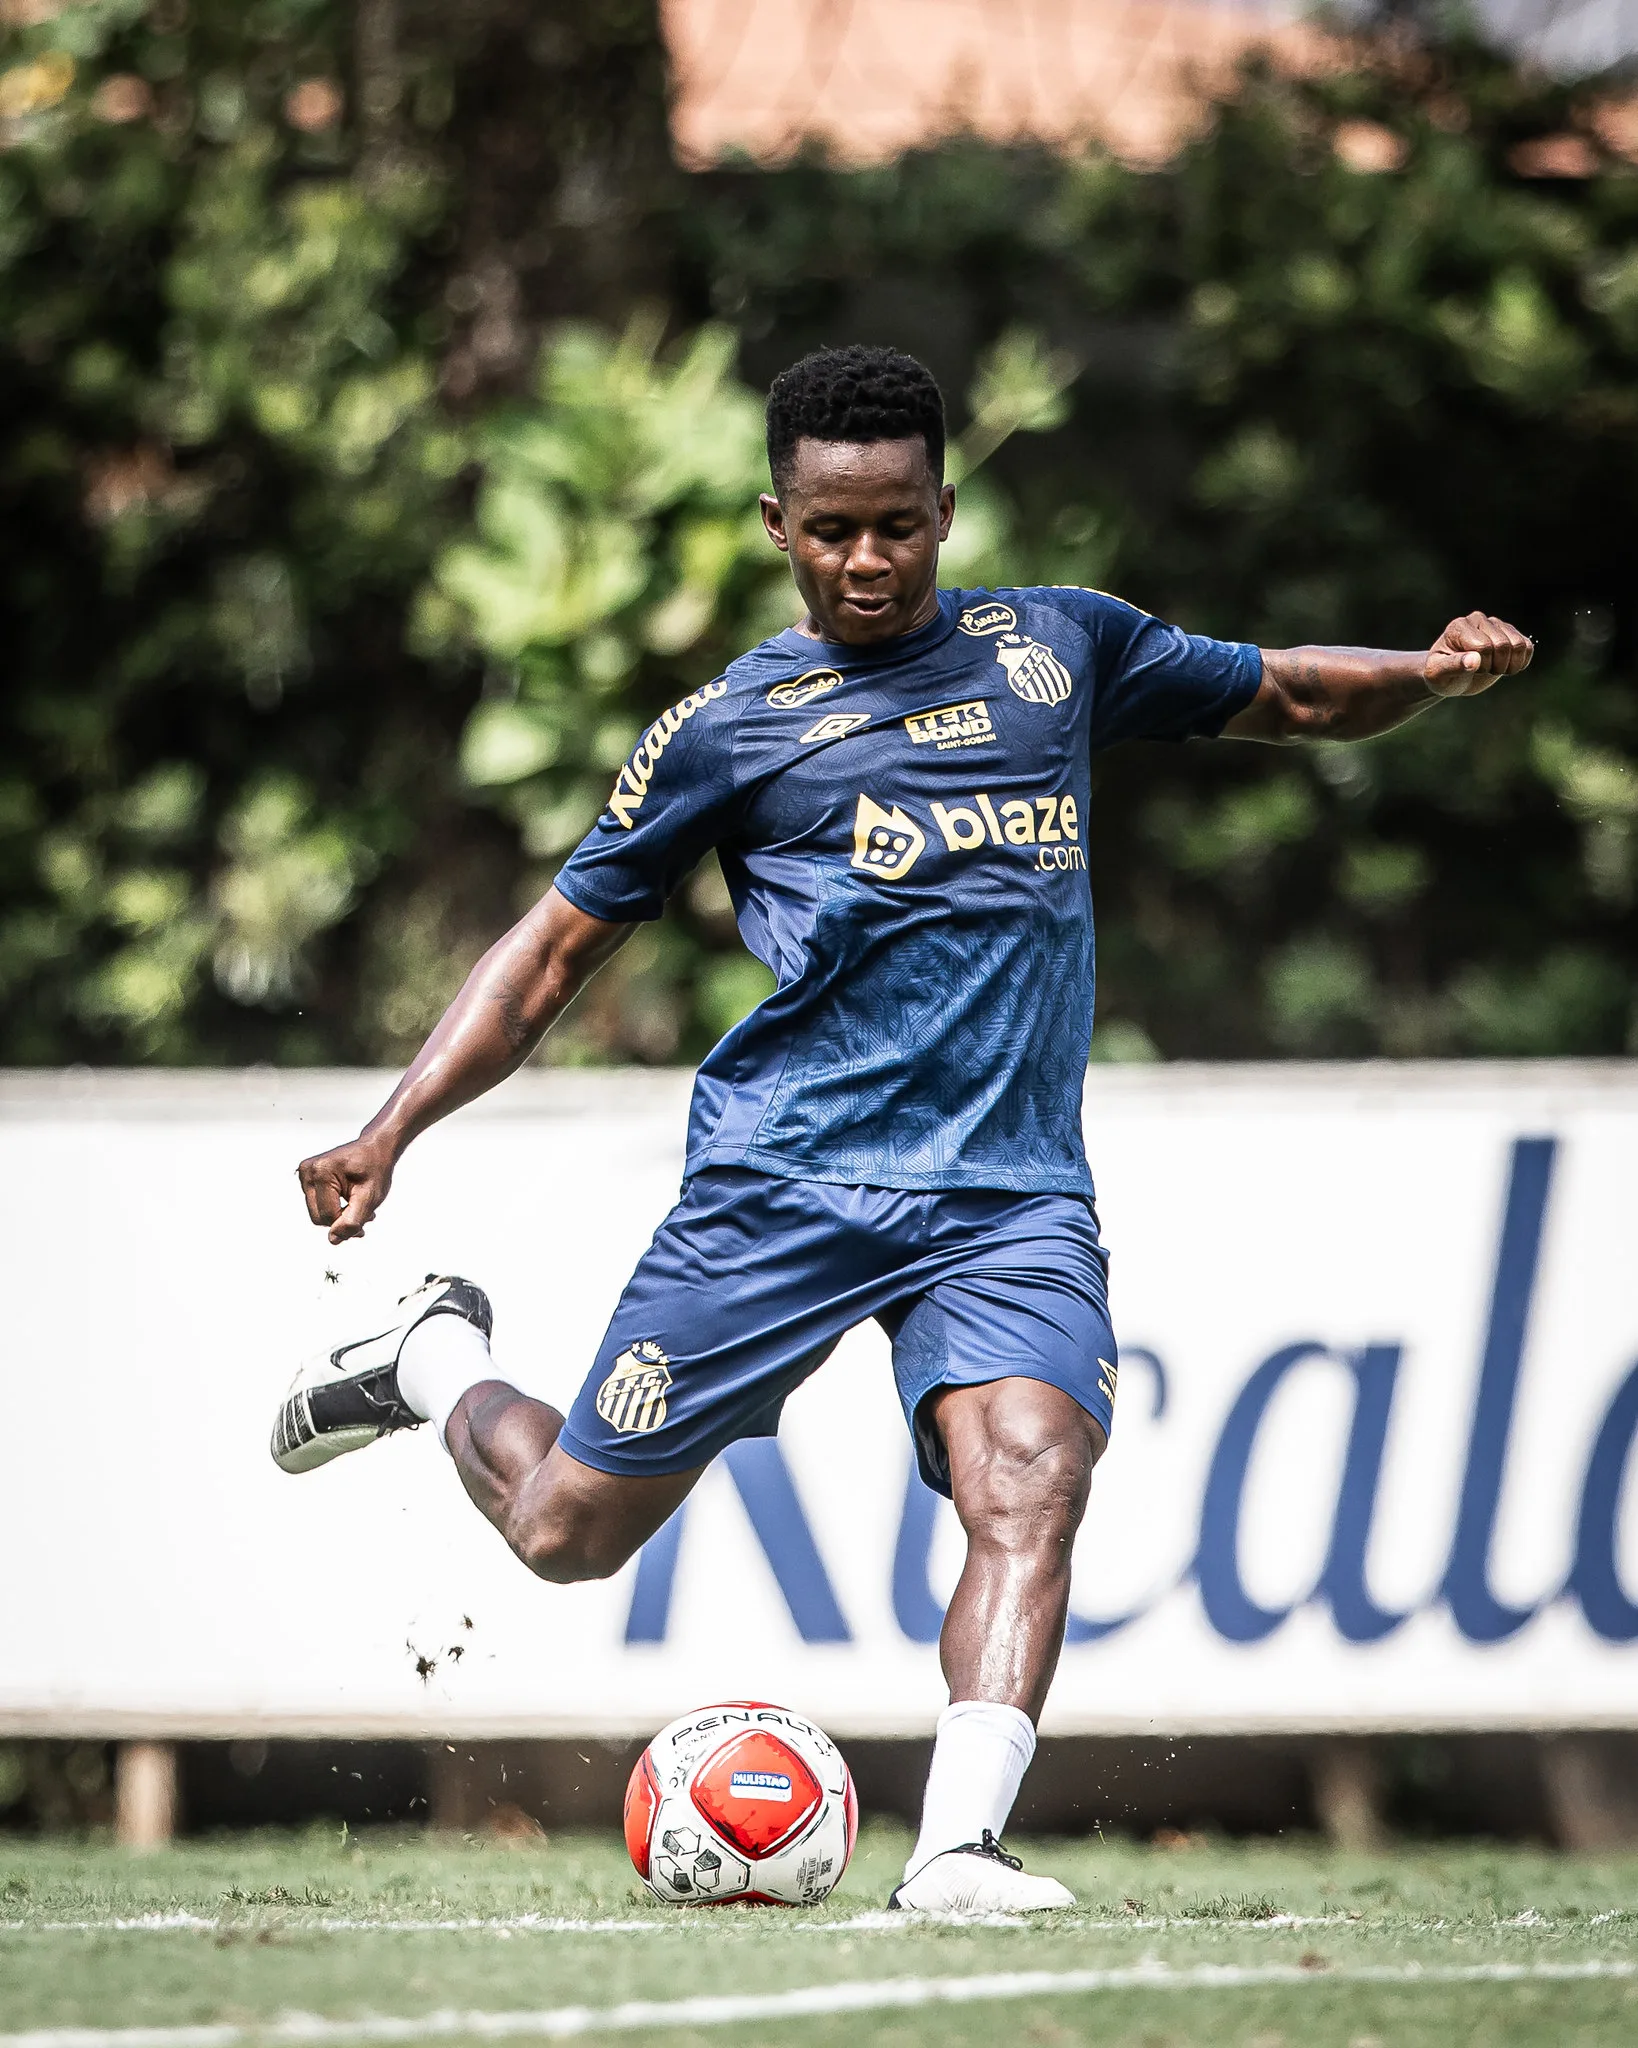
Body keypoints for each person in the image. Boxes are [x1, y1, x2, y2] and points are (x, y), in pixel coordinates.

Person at [276, 344, 1533, 1912]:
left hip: (1007, 1194)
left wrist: (1430, 674)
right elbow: (546, 957)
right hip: (785, 1182)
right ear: (774, 523)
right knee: (561, 1533)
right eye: (829, 530)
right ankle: (430, 1364)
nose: (865, 561)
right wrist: (393, 1127)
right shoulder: (729, 729)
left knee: (1030, 1474)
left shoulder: (1060, 652)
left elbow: (1279, 689)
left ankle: (954, 1849)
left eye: (896, 526)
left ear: (945, 509)